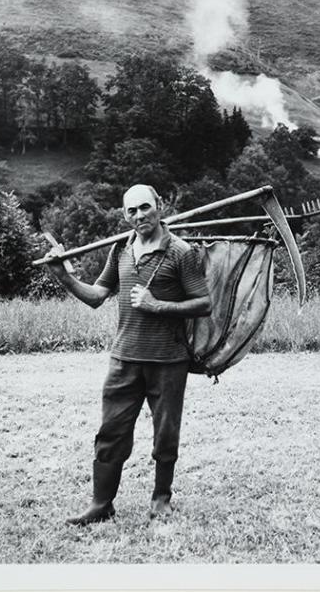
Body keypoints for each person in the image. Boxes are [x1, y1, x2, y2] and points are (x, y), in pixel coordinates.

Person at [45, 184, 211, 525]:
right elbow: (96, 296)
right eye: (131, 211)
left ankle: (161, 499)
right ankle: (101, 504)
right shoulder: (119, 250)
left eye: (145, 207)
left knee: (166, 433)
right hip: (124, 358)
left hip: (168, 360)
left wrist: (157, 305)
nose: (139, 215)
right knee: (111, 431)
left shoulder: (181, 252)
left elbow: (204, 303)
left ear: (160, 206)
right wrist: (63, 277)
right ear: (124, 215)